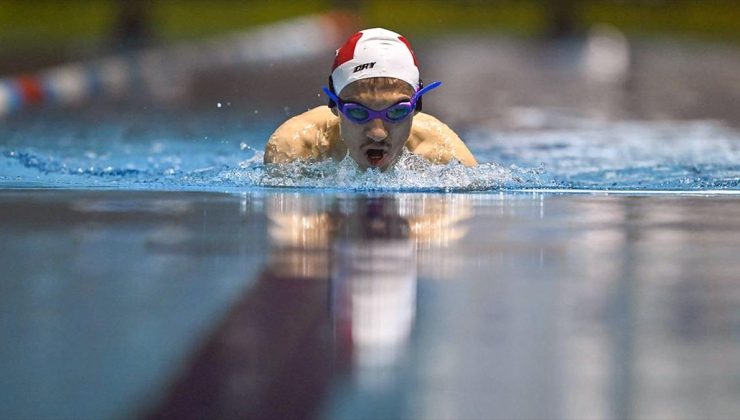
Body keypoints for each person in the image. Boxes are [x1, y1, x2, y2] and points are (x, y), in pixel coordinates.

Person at [264, 28, 477, 170]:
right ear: (334, 104)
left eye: (397, 111)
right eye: (358, 111)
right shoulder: (295, 148)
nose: (377, 134)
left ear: (417, 105)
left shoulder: (445, 157)